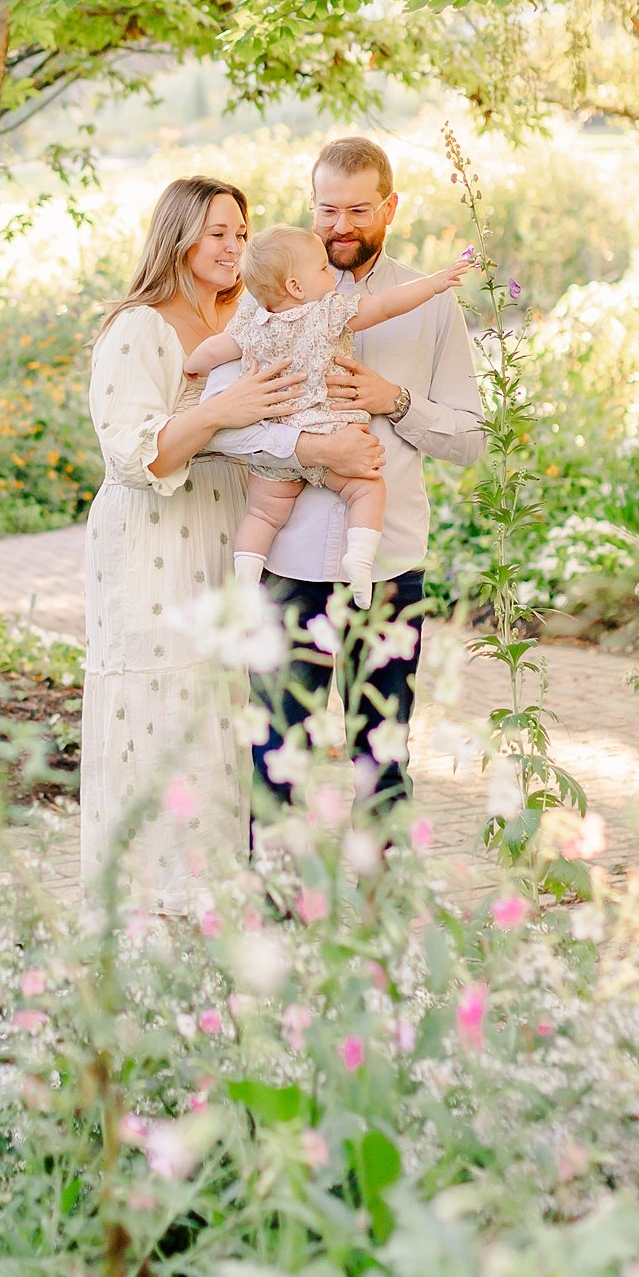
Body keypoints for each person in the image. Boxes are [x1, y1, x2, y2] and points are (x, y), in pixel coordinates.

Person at [80, 176, 378, 914]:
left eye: (242, 235)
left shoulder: (250, 322)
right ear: (179, 235)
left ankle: (216, 916)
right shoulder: (138, 328)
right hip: (151, 541)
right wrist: (224, 410)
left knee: (221, 718)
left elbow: (265, 438)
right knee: (157, 713)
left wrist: (324, 449)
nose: (233, 247)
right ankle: (144, 919)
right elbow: (133, 454)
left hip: (226, 534)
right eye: (218, 232)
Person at [206, 137, 485, 816]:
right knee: (277, 761)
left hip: (388, 568)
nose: (339, 227)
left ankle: (379, 916)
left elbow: (472, 439)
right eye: (326, 210)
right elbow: (220, 423)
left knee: (382, 767)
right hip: (289, 566)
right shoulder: (265, 297)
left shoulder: (429, 303)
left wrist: (393, 401)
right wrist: (307, 448)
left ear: (390, 207)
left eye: (358, 210)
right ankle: (275, 917)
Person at [183, 224, 471, 606]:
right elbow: (385, 307)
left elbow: (213, 350)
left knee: (262, 515)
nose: (329, 276)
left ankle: (246, 576)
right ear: (297, 287)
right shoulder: (328, 313)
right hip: (332, 431)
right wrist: (434, 285)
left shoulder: (252, 324)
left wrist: (191, 365)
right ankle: (361, 559)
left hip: (279, 444)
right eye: (322, 270)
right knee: (367, 488)